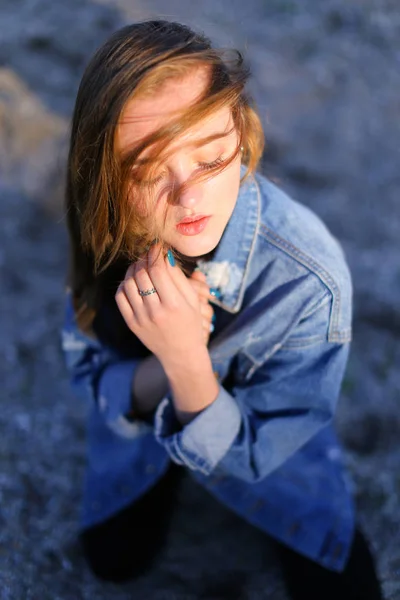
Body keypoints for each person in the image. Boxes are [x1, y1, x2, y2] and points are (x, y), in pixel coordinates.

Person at [61, 20, 383, 599]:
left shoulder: (310, 280)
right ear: (105, 174)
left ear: (241, 133)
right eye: (149, 171)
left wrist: (189, 363)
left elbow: (265, 450)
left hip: (274, 460)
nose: (188, 197)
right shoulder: (110, 227)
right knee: (114, 560)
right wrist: (167, 366)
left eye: (210, 160)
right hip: (149, 422)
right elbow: (86, 368)